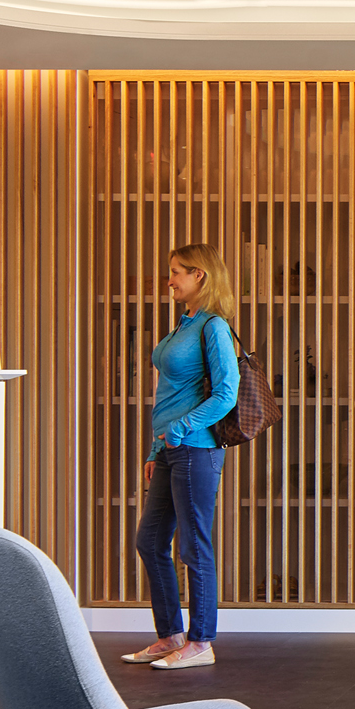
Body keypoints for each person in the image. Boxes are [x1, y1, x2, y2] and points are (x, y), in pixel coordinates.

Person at [127, 243, 243, 669]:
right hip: (172, 450)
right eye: (170, 271)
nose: (170, 279)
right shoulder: (183, 325)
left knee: (193, 546)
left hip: (196, 450)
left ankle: (201, 641)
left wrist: (176, 431)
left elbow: (226, 395)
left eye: (176, 271)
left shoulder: (213, 326)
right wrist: (158, 446)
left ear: (201, 277)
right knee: (151, 541)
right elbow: (169, 395)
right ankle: (170, 635)